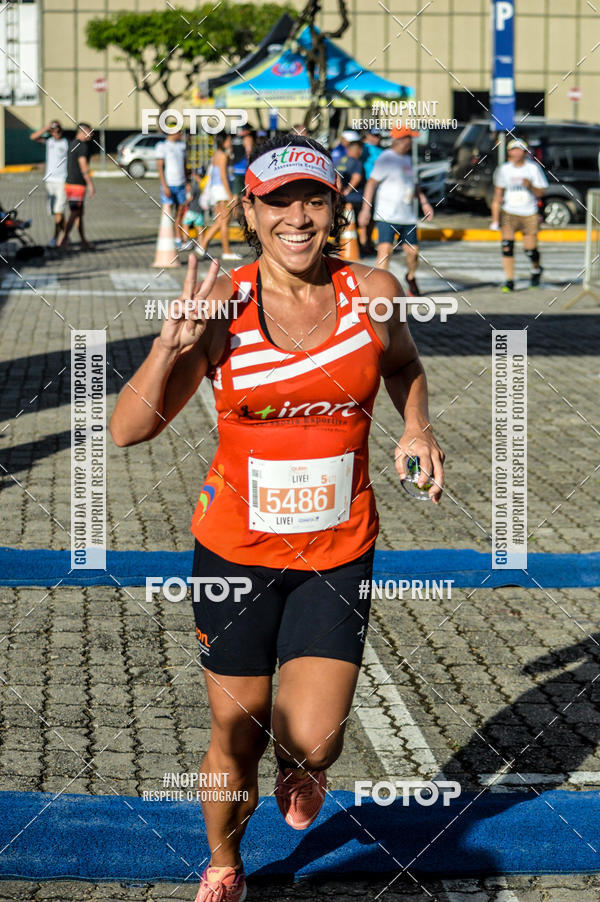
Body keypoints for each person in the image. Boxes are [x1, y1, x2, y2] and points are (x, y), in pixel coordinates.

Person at [109, 133, 445, 902]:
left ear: (335, 207)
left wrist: (417, 425)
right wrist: (169, 348)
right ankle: (225, 864)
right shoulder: (224, 304)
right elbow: (130, 430)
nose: (298, 216)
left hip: (338, 548)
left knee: (313, 738)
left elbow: (403, 364)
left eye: (314, 199)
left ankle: (304, 768)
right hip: (234, 552)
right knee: (238, 727)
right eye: (279, 201)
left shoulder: (375, 290)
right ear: (251, 212)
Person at [358, 125, 433, 295]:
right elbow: (371, 184)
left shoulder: (408, 159)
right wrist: (366, 209)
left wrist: (424, 203)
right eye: (408, 138)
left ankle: (411, 276)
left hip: (407, 216)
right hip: (387, 215)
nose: (411, 142)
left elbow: (414, 186)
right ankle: (379, 290)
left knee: (413, 253)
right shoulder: (386, 159)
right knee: (385, 251)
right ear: (399, 140)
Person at [490, 138, 548, 292]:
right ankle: (510, 280)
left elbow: (542, 192)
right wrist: (495, 219)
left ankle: (536, 269)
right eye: (513, 149)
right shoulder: (504, 169)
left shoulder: (533, 169)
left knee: (530, 250)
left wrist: (530, 185)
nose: (516, 152)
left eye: (519, 150)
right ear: (509, 152)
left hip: (529, 212)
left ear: (525, 152)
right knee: (507, 246)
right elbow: (497, 195)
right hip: (509, 211)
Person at [195, 133, 241, 262]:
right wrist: (230, 195)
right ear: (224, 141)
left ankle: (202, 246)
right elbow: (223, 176)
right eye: (229, 139)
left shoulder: (217, 154)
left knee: (220, 222)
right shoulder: (223, 156)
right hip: (222, 191)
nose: (230, 141)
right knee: (225, 222)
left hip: (216, 190)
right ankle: (226, 251)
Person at [29, 119, 68, 247]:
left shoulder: (65, 143)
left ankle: (55, 238)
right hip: (49, 181)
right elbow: (33, 137)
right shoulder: (49, 141)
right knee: (54, 211)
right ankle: (65, 235)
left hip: (62, 180)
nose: (55, 133)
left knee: (59, 210)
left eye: (58, 131)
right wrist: (46, 128)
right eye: (53, 131)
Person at [57, 122, 95, 250]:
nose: (92, 134)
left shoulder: (72, 144)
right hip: (77, 185)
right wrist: (90, 184)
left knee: (79, 213)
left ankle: (84, 241)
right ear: (82, 131)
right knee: (74, 213)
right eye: (89, 131)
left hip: (69, 183)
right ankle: (63, 240)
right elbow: (83, 165)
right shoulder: (83, 146)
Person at [156, 127, 190, 250]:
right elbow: (160, 167)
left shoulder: (182, 146)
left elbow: (185, 165)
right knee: (168, 212)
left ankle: (178, 239)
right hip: (169, 184)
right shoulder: (162, 146)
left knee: (181, 212)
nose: (180, 134)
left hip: (181, 184)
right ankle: (167, 238)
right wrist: (164, 185)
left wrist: (187, 182)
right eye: (178, 131)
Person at [339, 140, 366, 249]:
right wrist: (348, 190)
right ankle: (364, 246)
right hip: (356, 198)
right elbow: (356, 178)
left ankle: (339, 242)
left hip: (342, 198)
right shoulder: (357, 162)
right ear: (358, 150)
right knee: (362, 223)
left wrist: (341, 192)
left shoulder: (341, 161)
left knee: (342, 221)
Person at [181, 169, 205, 250]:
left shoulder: (195, 187)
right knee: (199, 228)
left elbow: (190, 198)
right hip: (200, 210)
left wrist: (185, 203)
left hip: (192, 210)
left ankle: (185, 242)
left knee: (185, 224)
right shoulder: (204, 185)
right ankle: (201, 244)